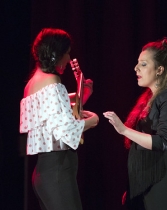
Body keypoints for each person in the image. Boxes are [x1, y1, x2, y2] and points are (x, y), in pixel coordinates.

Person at [103, 38, 167, 210]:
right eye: (138, 63)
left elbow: (162, 141)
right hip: (149, 180)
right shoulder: (149, 98)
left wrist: (123, 130)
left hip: (165, 178)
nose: (136, 68)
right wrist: (135, 187)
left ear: (160, 69)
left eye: (143, 64)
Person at [20, 28, 99, 210]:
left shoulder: (33, 82)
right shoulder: (52, 80)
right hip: (57, 172)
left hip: (44, 173)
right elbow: (65, 131)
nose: (69, 58)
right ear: (56, 54)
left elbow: (55, 114)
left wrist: (83, 94)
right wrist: (93, 121)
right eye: (67, 52)